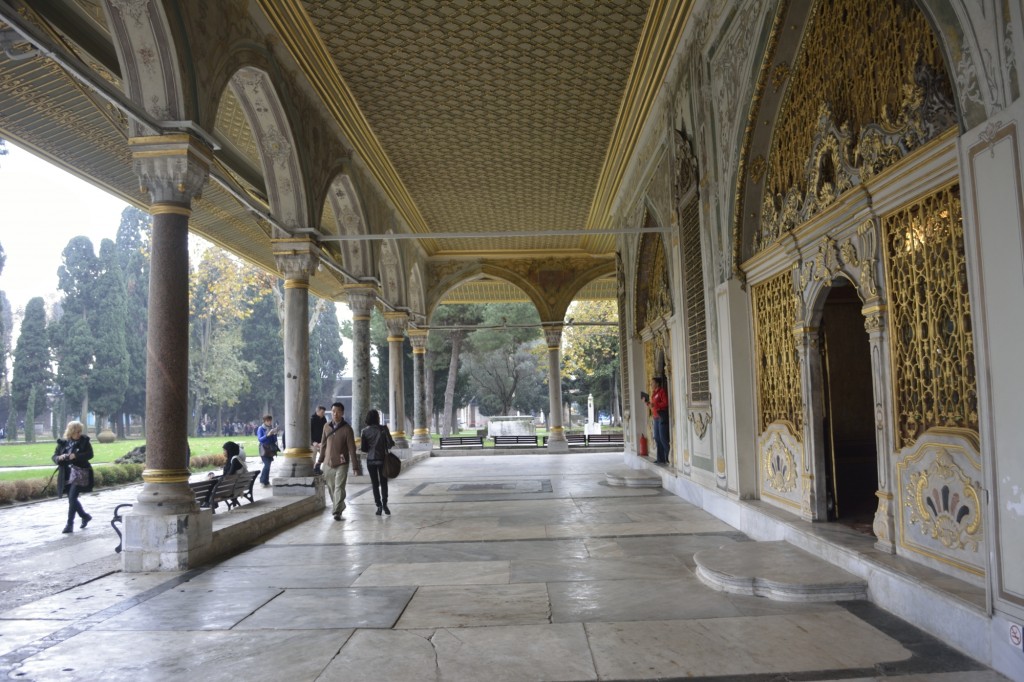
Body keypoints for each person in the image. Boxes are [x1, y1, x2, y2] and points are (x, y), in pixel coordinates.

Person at [315, 402, 359, 520]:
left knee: (339, 487)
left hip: (342, 463)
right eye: (333, 411)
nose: (335, 414)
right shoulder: (326, 426)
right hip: (328, 462)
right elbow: (323, 445)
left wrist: (355, 466)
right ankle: (339, 505)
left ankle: (336, 511)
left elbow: (352, 449)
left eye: (338, 411)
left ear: (342, 413)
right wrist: (319, 461)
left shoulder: (347, 429)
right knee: (331, 487)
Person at [52, 420, 94, 534]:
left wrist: (76, 455)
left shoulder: (84, 441)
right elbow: (54, 456)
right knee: (72, 498)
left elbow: (90, 455)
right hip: (66, 473)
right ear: (71, 432)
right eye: (76, 432)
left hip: (79, 473)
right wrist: (59, 458)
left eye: (80, 431)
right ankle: (85, 516)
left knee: (72, 498)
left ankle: (69, 524)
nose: (79, 434)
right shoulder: (63, 442)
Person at [360, 409, 395, 516]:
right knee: (384, 482)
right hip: (382, 459)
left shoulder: (364, 431)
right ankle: (385, 504)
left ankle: (378, 506)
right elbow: (390, 444)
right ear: (377, 418)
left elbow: (363, 448)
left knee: (375, 484)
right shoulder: (384, 429)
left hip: (371, 461)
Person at [648, 376, 670, 464]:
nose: (651, 385)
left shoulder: (661, 391)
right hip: (655, 417)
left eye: (652, 383)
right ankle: (660, 458)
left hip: (661, 416)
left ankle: (668, 457)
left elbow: (665, 403)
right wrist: (647, 403)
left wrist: (656, 406)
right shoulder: (654, 393)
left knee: (663, 437)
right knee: (657, 437)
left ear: (657, 383)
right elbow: (653, 405)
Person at [256, 415, 280, 487]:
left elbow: (274, 440)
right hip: (263, 449)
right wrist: (267, 435)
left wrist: (274, 434)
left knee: (268, 465)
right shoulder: (261, 428)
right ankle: (262, 481)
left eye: (270, 420)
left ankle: (266, 481)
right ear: (264, 421)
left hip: (270, 449)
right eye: (267, 421)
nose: (269, 422)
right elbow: (260, 439)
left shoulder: (271, 428)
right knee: (266, 465)